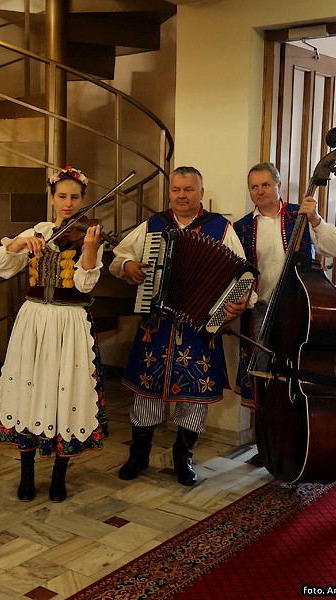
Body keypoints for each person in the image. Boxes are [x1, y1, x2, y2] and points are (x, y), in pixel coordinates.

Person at [110, 166, 249, 486]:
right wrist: (128, 266)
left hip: (200, 329)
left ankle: (183, 458)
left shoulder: (220, 228)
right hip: (156, 325)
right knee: (146, 393)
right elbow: (119, 256)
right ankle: (138, 455)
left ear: (201, 193)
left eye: (188, 190)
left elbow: (242, 275)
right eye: (176, 190)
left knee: (193, 397)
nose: (181, 196)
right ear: (169, 193)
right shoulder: (153, 225)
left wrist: (241, 301)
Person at [0, 166, 107, 502]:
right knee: (29, 390)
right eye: (62, 196)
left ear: (82, 200)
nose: (68, 203)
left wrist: (90, 252)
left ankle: (59, 475)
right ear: (52, 198)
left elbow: (85, 284)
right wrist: (16, 245)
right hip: (34, 322)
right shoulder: (37, 232)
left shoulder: (89, 236)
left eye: (75, 197)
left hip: (70, 323)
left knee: (66, 393)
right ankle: (26, 473)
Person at [233, 162, 336, 464]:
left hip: (298, 310)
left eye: (266, 185)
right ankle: (266, 444)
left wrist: (316, 219)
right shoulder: (242, 227)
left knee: (296, 374)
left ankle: (299, 437)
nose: (260, 191)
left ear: (278, 186)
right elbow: (237, 272)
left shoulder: (301, 215)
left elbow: (335, 248)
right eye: (254, 186)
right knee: (264, 377)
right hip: (260, 311)